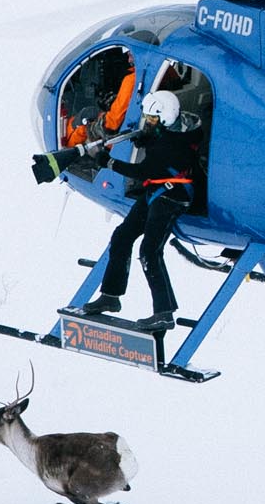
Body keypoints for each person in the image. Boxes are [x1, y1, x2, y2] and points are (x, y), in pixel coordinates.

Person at [82, 88, 206, 330]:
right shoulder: (179, 128)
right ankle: (110, 295)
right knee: (122, 236)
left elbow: (145, 171)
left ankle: (164, 313)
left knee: (149, 250)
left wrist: (108, 163)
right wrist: (149, 137)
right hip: (157, 191)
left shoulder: (169, 145)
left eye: (152, 119)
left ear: (166, 118)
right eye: (147, 118)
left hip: (172, 196)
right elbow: (163, 145)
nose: (148, 122)